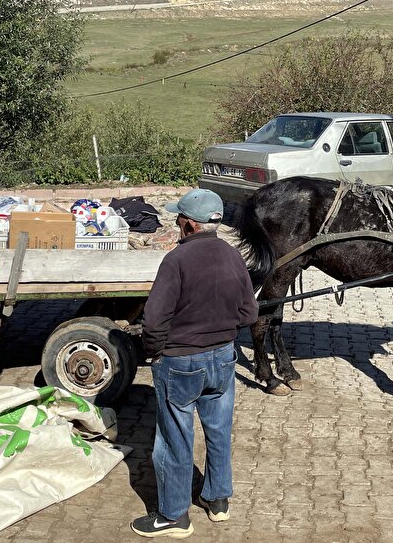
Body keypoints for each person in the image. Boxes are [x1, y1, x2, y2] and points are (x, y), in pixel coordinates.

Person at [131, 189, 258, 538]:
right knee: (219, 430)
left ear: (188, 224)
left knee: (174, 438)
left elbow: (154, 321)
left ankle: (173, 516)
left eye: (177, 219)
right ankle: (217, 500)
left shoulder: (176, 261)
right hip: (223, 358)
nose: (174, 224)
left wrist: (154, 351)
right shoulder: (233, 256)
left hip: (181, 360)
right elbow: (249, 312)